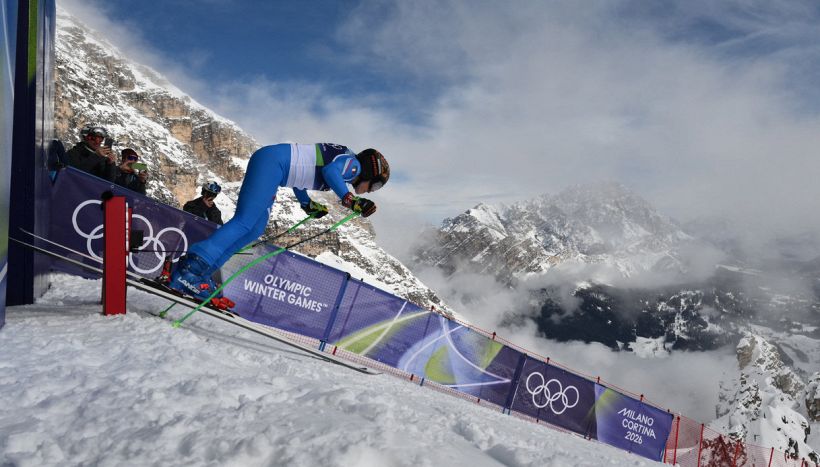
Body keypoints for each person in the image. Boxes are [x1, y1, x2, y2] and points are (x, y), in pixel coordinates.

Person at [167, 143, 389, 307]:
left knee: (254, 229)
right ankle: (189, 271)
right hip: (272, 164)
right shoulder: (353, 166)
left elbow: (299, 178)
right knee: (244, 222)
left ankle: (202, 274)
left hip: (276, 168)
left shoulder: (346, 166)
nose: (371, 190)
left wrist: (306, 204)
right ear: (370, 169)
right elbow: (330, 172)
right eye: (376, 184)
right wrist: (350, 200)